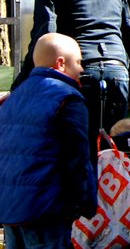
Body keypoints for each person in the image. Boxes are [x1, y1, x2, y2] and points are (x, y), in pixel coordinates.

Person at [15, 0, 130, 140]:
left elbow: (44, 38)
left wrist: (21, 85)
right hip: (117, 71)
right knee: (113, 149)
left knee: (75, 146)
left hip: (79, 71)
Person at [0, 33, 96, 249]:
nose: (82, 69)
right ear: (61, 63)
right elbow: (78, 159)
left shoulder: (13, 98)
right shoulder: (67, 98)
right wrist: (82, 203)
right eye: (79, 62)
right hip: (46, 209)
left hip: (10, 208)